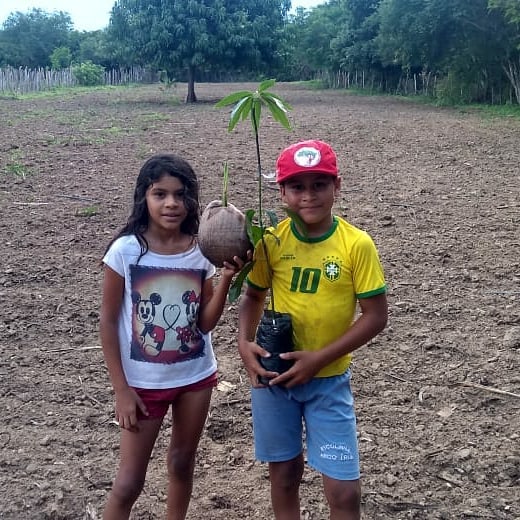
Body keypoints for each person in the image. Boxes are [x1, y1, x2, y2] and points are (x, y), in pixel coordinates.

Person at [238, 140, 388, 520]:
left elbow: (375, 316)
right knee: (284, 475)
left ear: (337, 186)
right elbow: (253, 295)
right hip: (275, 379)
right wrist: (244, 342)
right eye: (297, 186)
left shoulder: (356, 244)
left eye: (319, 184)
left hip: (329, 381)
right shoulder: (271, 241)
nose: (308, 196)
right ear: (281, 193)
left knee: (344, 492)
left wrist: (319, 359)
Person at [100, 153, 246, 520]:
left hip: (194, 377)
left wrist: (226, 279)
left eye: (181, 195)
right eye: (160, 194)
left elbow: (205, 324)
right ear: (143, 197)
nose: (171, 203)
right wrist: (121, 390)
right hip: (142, 386)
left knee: (182, 462)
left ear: (192, 200)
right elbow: (107, 322)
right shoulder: (126, 252)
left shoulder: (201, 251)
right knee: (129, 483)